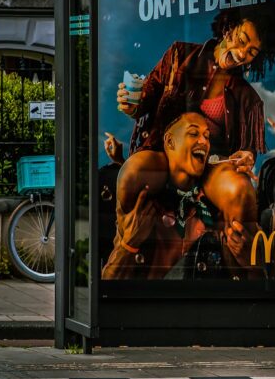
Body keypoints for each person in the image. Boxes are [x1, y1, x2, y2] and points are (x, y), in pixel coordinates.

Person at [109, 0, 275, 259]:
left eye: (251, 52)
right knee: (134, 171)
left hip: (211, 168)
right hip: (166, 156)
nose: (242, 53)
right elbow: (145, 100)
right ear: (228, 29)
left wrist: (246, 156)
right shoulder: (180, 55)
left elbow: (247, 151)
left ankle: (242, 265)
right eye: (242, 39)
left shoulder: (248, 97)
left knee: (239, 190)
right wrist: (130, 104)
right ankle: (122, 247)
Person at [102, 111, 255, 279]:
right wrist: (128, 245)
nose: (204, 141)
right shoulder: (142, 210)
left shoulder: (214, 208)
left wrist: (255, 264)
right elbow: (109, 283)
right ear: (169, 141)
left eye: (207, 136)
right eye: (193, 133)